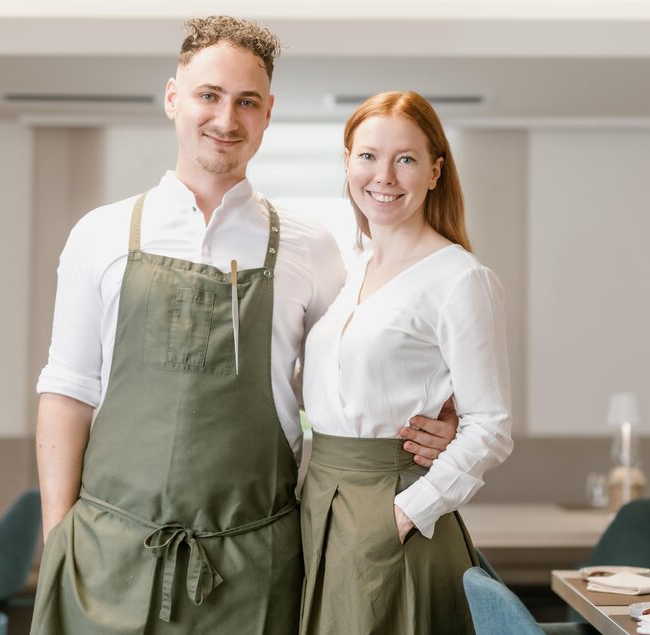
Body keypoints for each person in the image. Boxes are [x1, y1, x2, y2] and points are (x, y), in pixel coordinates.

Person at [29, 18, 457, 635]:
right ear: (173, 96)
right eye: (209, 95)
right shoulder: (100, 233)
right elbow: (68, 389)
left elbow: (359, 374)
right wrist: (58, 538)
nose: (226, 119)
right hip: (108, 555)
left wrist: (441, 420)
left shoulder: (312, 246)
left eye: (246, 102)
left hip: (257, 562)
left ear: (267, 112)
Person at [299, 91, 514, 635]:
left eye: (406, 159)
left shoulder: (459, 279)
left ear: (435, 171)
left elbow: (491, 427)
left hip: (395, 513)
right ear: (347, 162)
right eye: (368, 155)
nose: (384, 176)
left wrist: (405, 514)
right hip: (319, 505)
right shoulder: (348, 274)